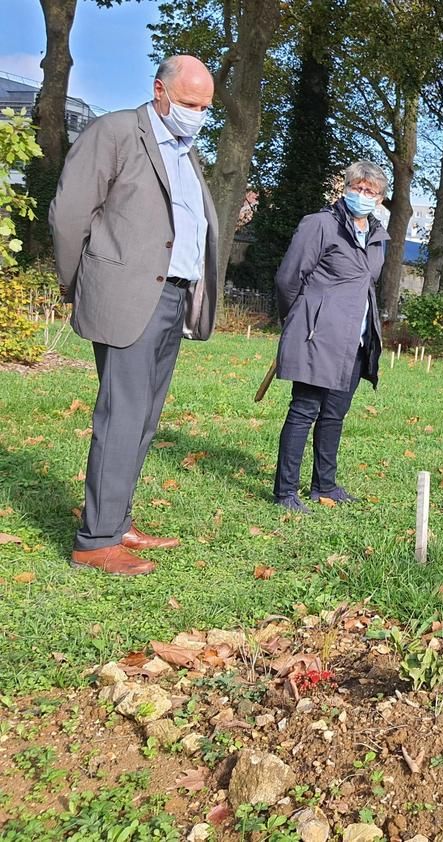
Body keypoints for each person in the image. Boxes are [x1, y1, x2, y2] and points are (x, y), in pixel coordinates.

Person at [48, 55, 219, 576]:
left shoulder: (185, 152)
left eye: (206, 108)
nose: (198, 115)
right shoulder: (117, 132)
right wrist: (84, 284)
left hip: (172, 297)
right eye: (190, 104)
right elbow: (69, 213)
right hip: (127, 295)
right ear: (159, 91)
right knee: (121, 416)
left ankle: (117, 520)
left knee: (143, 418)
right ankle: (94, 542)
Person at [272, 160, 388, 512]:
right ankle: (285, 492)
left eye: (371, 191)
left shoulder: (378, 236)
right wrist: (300, 321)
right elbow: (288, 278)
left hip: (356, 340)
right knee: (304, 410)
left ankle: (324, 485)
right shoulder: (320, 224)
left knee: (335, 414)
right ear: (345, 188)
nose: (363, 195)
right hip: (318, 336)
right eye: (358, 188)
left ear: (381, 198)